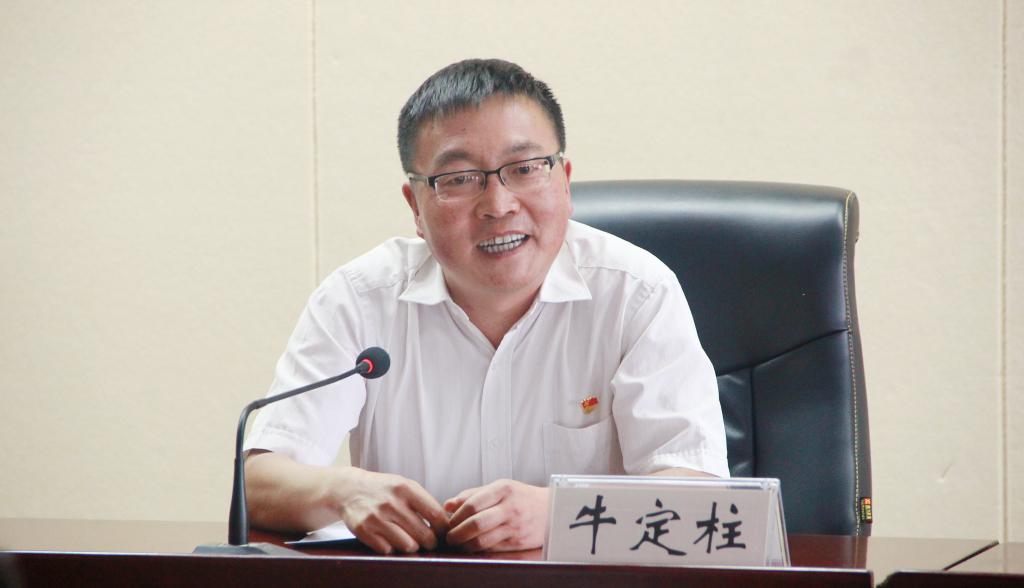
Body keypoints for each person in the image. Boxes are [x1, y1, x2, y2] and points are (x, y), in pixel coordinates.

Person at [243, 58, 728, 555]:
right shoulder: (359, 299)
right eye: (459, 179)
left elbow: (700, 494)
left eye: (525, 169)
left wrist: (562, 512)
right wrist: (342, 491)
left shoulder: (635, 293)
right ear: (415, 206)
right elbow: (257, 483)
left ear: (564, 181)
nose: (498, 205)